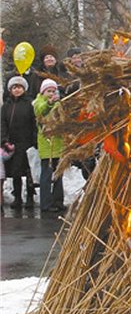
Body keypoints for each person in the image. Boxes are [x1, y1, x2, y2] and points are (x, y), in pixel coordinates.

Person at [0, 76, 37, 215]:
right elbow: (2, 123)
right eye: (14, 87)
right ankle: (17, 197)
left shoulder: (29, 104)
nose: (17, 89)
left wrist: (34, 141)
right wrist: (4, 140)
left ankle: (30, 198)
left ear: (24, 89)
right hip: (11, 143)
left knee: (29, 172)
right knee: (15, 172)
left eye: (19, 87)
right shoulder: (6, 106)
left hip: (26, 142)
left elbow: (34, 123)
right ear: (10, 90)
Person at [33, 78, 65, 217]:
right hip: (47, 146)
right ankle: (46, 204)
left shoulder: (59, 103)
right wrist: (49, 103)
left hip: (58, 143)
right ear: (43, 92)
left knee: (59, 175)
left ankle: (58, 202)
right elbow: (40, 110)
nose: (51, 93)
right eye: (48, 91)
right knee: (46, 175)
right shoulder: (39, 102)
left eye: (53, 91)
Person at [0, 142, 15, 216]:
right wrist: (12, 150)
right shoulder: (1, 151)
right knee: (0, 191)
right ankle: (0, 206)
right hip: (1, 174)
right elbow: (7, 157)